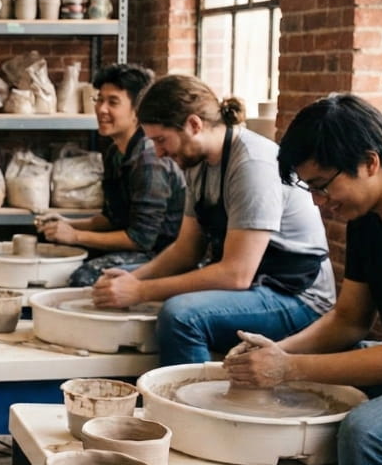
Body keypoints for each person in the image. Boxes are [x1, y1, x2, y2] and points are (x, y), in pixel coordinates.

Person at [224, 94, 382, 465]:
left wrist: (288, 368)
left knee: (368, 433)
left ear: (370, 162)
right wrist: (274, 352)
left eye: (323, 186)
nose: (320, 203)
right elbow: (349, 320)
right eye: (311, 189)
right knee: (335, 368)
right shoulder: (367, 215)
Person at [91, 74, 335, 366]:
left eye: (161, 140)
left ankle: (190, 404)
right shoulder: (197, 162)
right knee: (113, 274)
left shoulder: (252, 164)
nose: (158, 152)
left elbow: (236, 274)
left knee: (181, 315)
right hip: (256, 285)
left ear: (194, 125)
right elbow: (186, 251)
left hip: (298, 298)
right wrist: (134, 278)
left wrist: (141, 290)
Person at [37, 63, 185, 286]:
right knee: (49, 243)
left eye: (113, 102)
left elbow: (141, 240)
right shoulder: (115, 152)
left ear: (137, 111)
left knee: (85, 277)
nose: (101, 109)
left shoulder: (149, 160)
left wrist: (75, 235)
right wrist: (68, 224)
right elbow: (110, 219)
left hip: (163, 254)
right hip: (136, 247)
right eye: (99, 99)